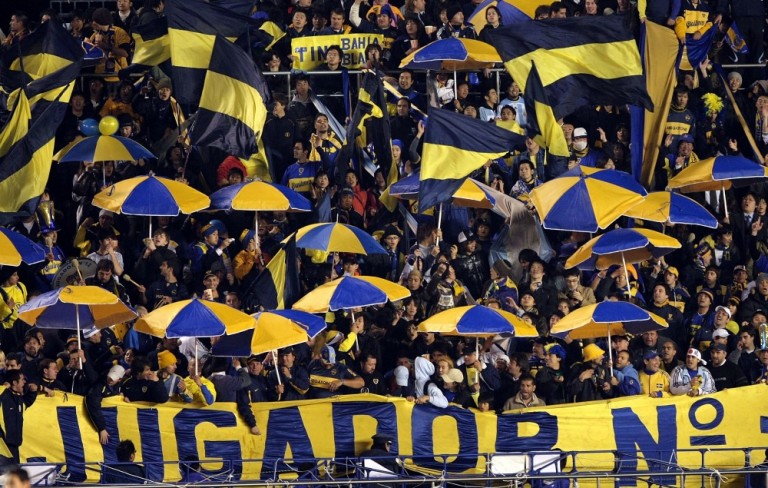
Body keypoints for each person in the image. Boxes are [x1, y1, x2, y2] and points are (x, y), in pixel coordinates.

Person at [0, 370, 37, 463]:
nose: (24, 382)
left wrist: (33, 391)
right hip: (2, 448)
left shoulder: (20, 400)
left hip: (15, 447)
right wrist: (4, 388)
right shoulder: (4, 398)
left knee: (15, 472)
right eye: (22, 380)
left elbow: (29, 400)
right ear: (14, 382)